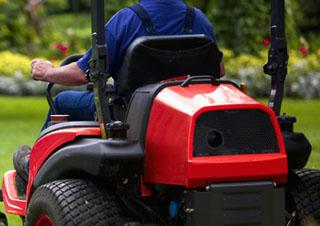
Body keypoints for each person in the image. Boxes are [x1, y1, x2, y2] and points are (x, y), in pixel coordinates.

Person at [13, 0, 219, 196]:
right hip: (182, 113)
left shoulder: (127, 20)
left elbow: (81, 72)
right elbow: (218, 69)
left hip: (128, 115)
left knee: (62, 100)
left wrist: (47, 72)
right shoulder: (198, 19)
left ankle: (33, 168)